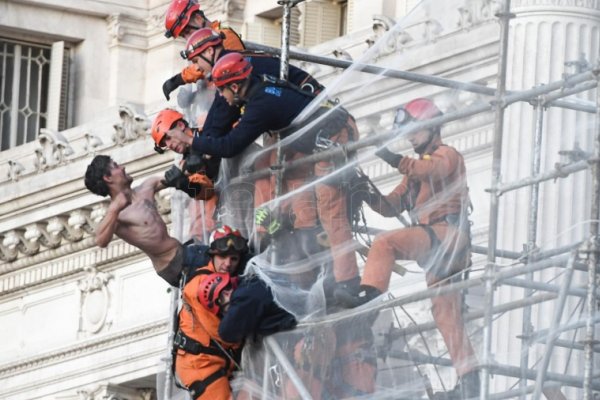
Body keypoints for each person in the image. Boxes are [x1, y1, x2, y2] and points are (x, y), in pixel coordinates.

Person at [334, 98, 480, 399]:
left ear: (429, 127)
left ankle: (369, 297)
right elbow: (391, 206)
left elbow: (432, 172)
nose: (411, 137)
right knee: (445, 314)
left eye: (414, 131)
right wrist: (366, 193)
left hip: (447, 235)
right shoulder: (413, 173)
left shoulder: (447, 155)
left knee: (385, 243)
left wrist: (391, 157)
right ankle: (470, 380)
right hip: (437, 245)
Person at [84, 155, 209, 286]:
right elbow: (100, 241)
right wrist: (114, 209)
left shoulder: (147, 187)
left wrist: (189, 166)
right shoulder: (118, 215)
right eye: (116, 166)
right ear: (108, 178)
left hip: (183, 252)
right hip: (174, 265)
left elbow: (176, 175)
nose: (123, 167)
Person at [173, 225, 250, 400]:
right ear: (212, 256)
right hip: (201, 364)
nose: (228, 263)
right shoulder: (204, 285)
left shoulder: (223, 281)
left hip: (215, 363)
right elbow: (225, 333)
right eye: (222, 257)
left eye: (233, 258)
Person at [162, 0, 245, 101]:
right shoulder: (204, 44)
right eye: (184, 36)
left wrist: (180, 79)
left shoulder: (223, 35)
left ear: (199, 18)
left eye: (188, 32)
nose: (188, 39)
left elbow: (208, 67)